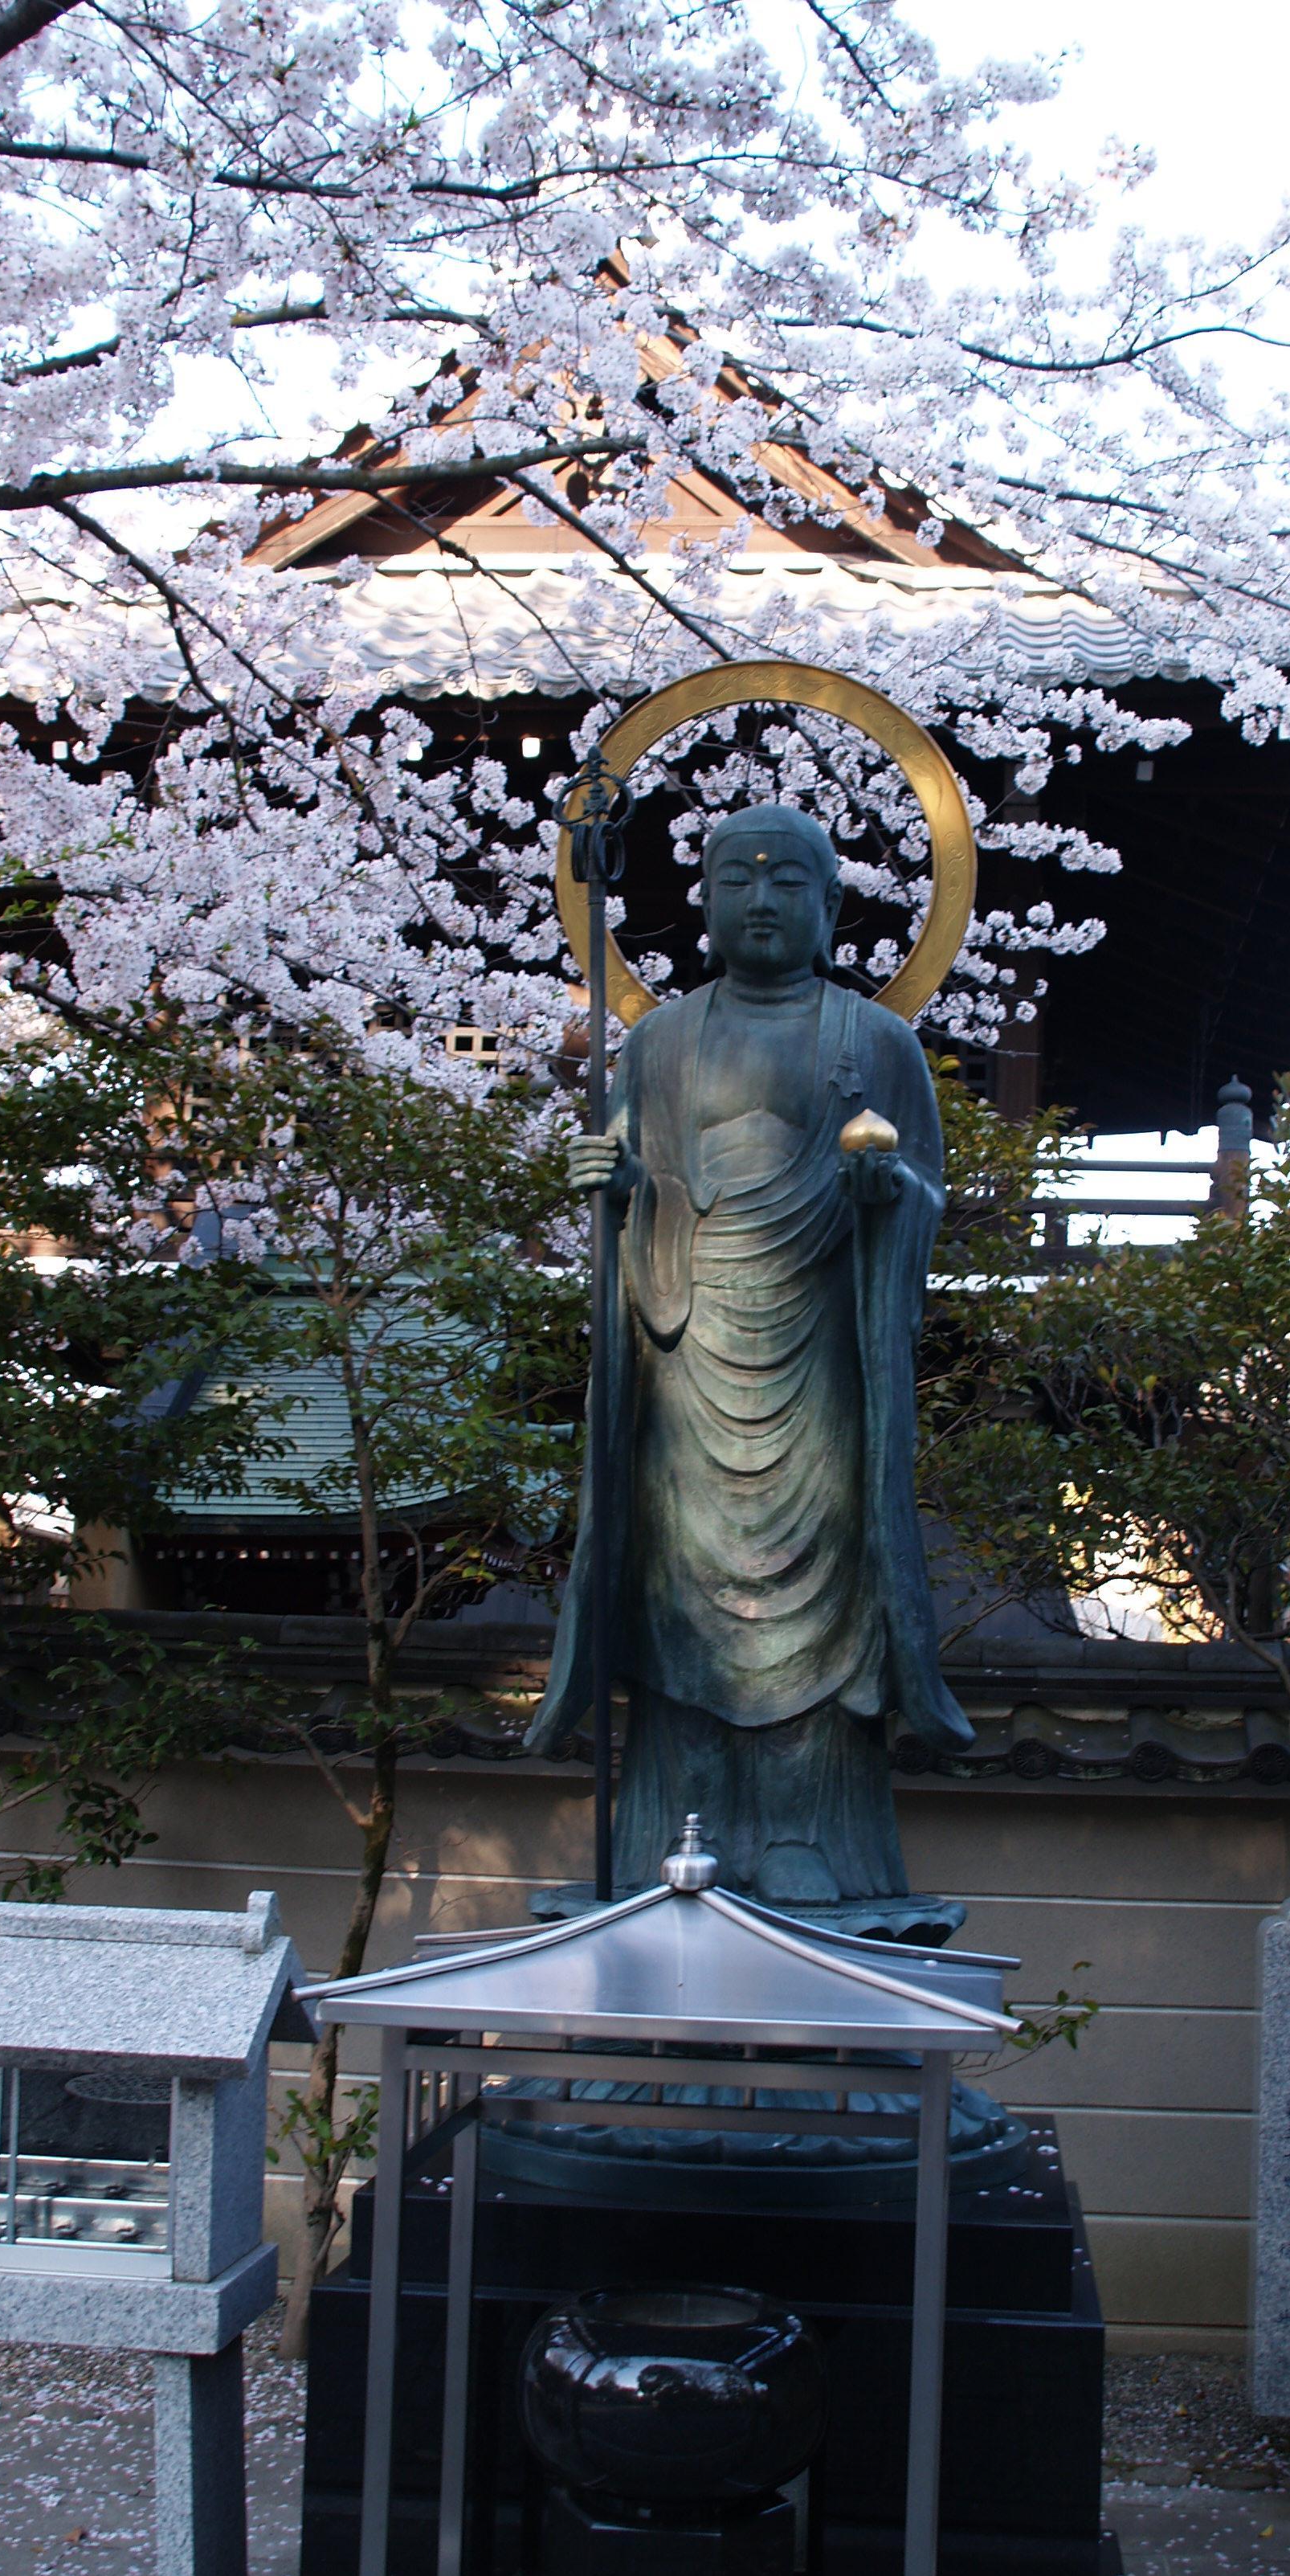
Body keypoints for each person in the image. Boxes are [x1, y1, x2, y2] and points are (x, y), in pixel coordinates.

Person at [526, 803, 974, 1909]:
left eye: (788, 881)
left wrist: (884, 1195)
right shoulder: (660, 1044)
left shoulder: (877, 1043)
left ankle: (805, 1838)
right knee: (682, 1603)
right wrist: (615, 1189)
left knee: (818, 1602)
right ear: (705, 903)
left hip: (819, 1359)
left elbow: (925, 1194)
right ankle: (679, 1832)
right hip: (687, 1353)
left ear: (831, 906)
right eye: (737, 880)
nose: (761, 901)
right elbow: (638, 1185)